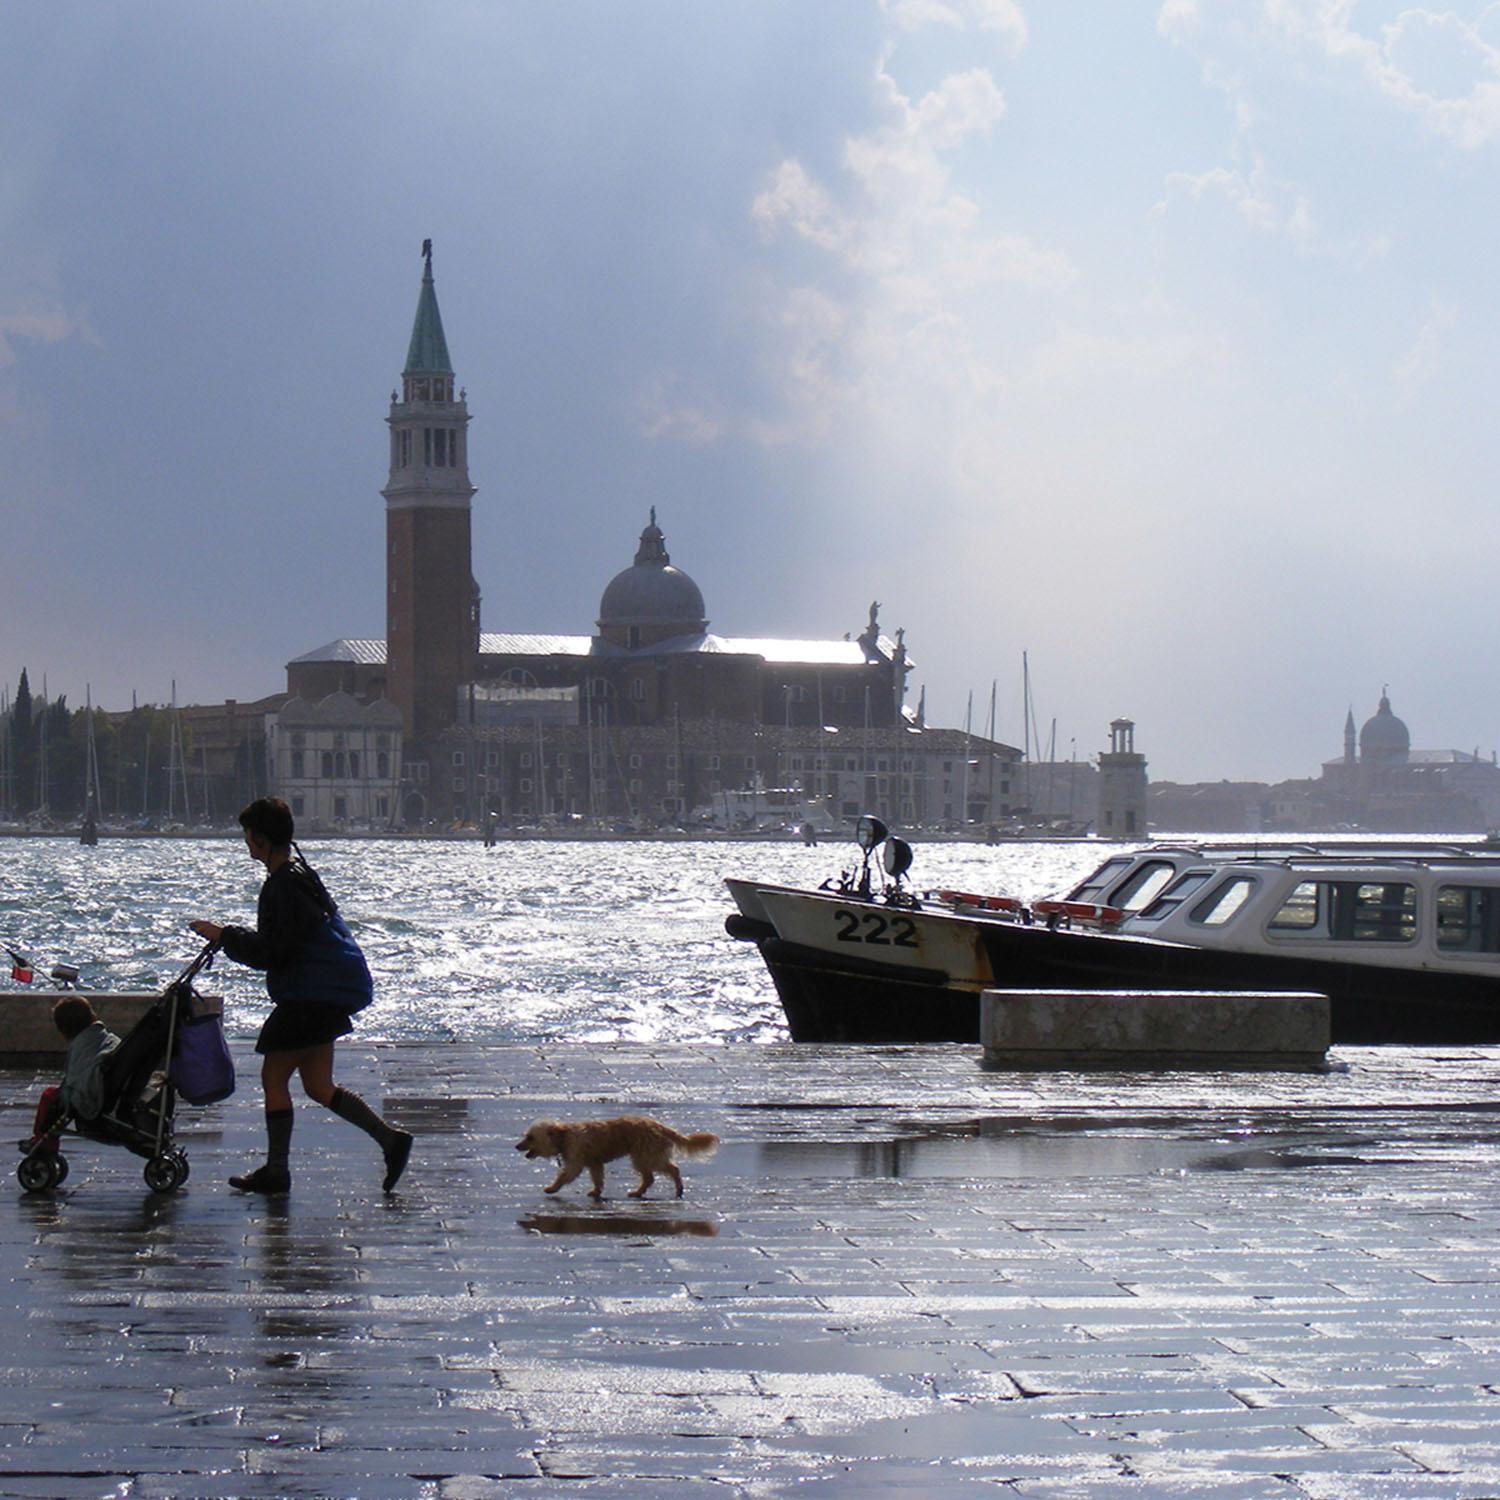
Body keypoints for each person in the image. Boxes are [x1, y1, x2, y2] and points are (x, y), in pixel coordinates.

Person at [190, 796, 412, 1195]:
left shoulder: (281, 887)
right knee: (317, 1085)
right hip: (327, 993)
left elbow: (274, 952)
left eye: (247, 835)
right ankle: (391, 1140)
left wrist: (225, 936)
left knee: (273, 1076)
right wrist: (234, 936)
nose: (245, 843)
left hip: (309, 998)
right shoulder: (301, 875)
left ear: (260, 839)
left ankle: (277, 1173)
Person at [28, 997, 121, 1151]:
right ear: (93, 1018)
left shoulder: (81, 1047)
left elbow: (73, 1081)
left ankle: (43, 1142)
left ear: (63, 1034)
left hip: (91, 1100)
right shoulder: (108, 1040)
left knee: (50, 1096)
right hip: (108, 1091)